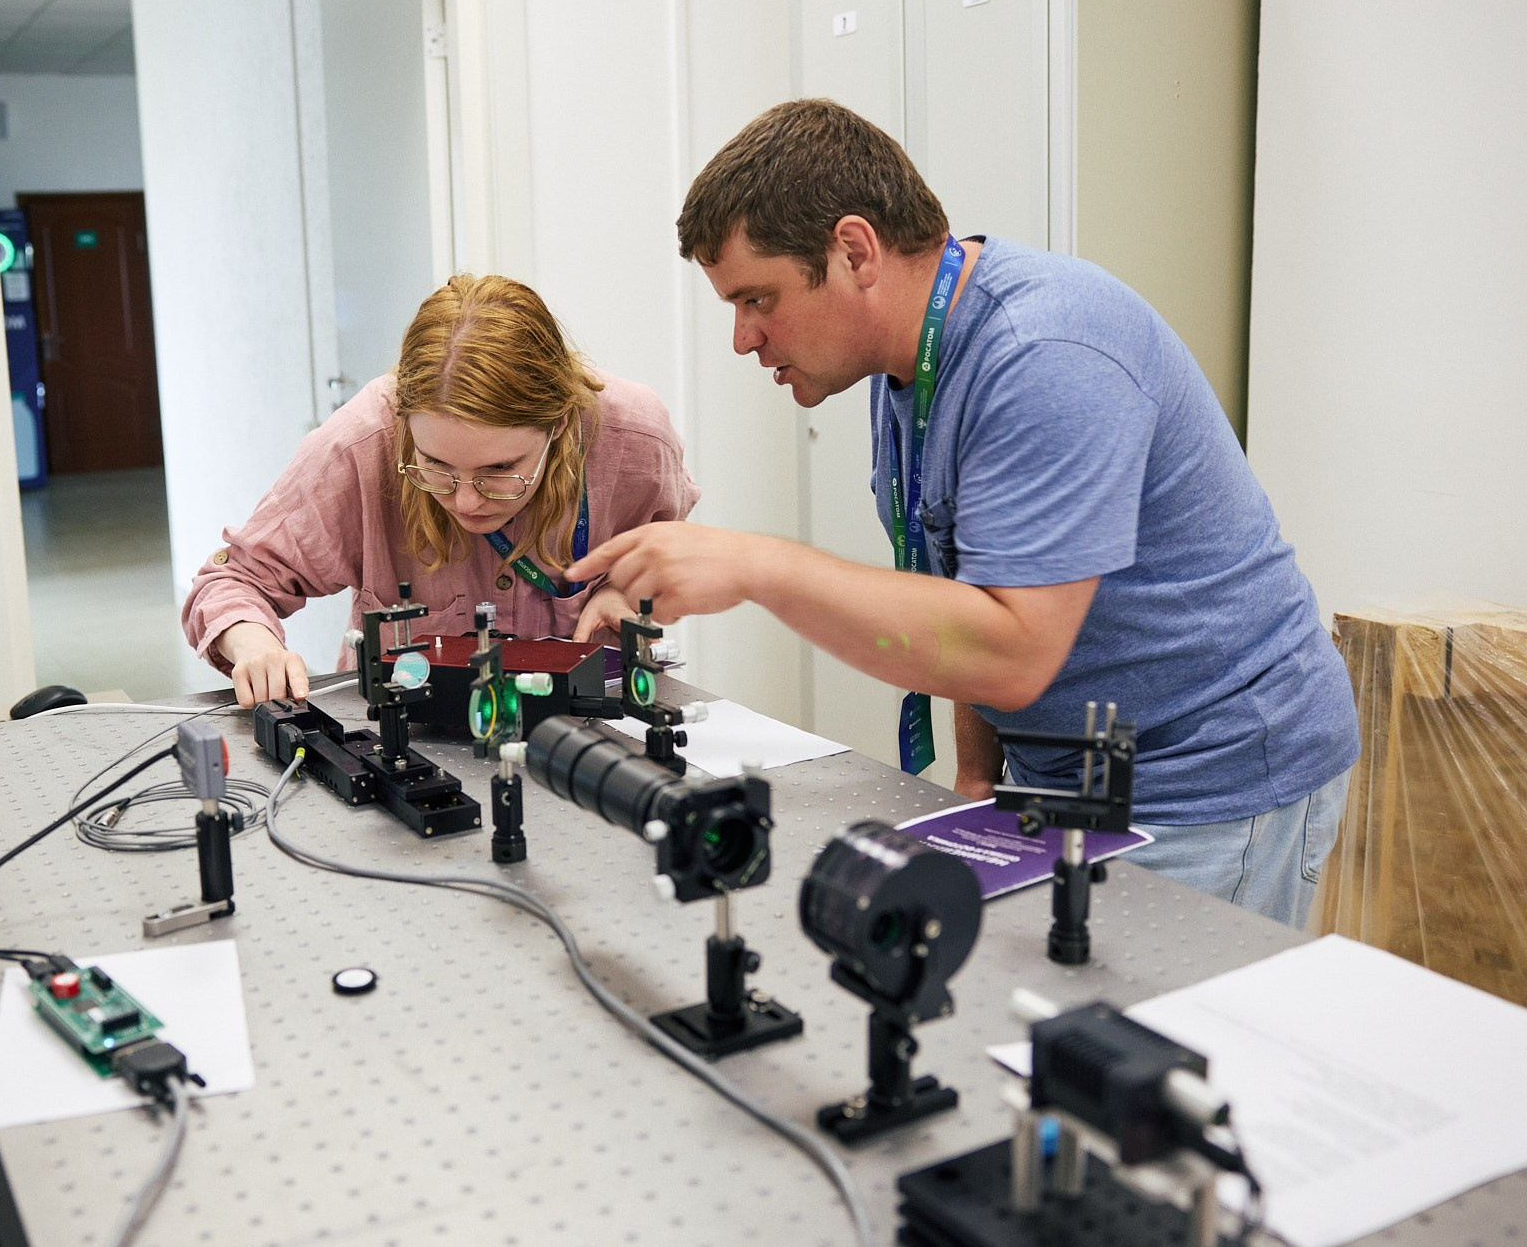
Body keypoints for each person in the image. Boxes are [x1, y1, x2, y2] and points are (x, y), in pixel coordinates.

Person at [569, 99, 1358, 929]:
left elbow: (1013, 649)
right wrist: (978, 781)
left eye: (758, 299)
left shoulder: (1043, 354)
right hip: (1058, 774)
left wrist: (761, 567)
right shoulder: (907, 367)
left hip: (1209, 783)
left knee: (1155, 1039)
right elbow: (960, 582)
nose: (743, 338)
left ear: (853, 250)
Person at [184, 273, 699, 709]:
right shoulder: (362, 444)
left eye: (500, 469)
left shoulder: (635, 438)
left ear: (560, 423)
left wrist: (620, 589)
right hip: (406, 740)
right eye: (436, 466)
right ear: (406, 425)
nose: (468, 501)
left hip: (586, 732)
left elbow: (665, 553)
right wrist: (255, 648)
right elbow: (231, 581)